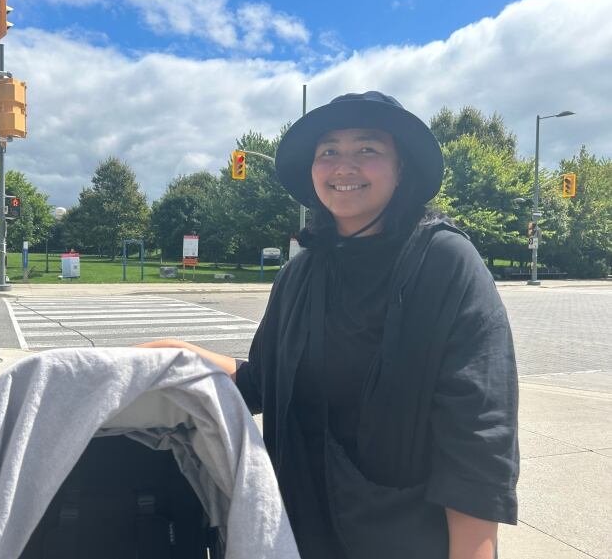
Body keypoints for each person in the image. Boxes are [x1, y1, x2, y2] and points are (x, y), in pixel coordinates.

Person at [139, 91, 519, 559]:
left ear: (402, 169)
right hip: (299, 530)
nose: (345, 166)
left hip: (405, 536)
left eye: (368, 149)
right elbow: (262, 381)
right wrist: (176, 355)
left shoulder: (442, 260)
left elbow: (478, 437)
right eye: (329, 151)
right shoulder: (301, 272)